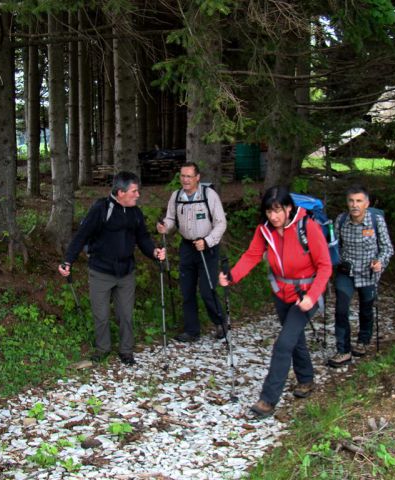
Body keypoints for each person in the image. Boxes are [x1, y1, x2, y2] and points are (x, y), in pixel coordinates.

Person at [219, 186, 331, 418]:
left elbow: (325, 265)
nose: (274, 216)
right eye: (269, 212)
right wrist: (233, 276)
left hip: (306, 294)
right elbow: (252, 255)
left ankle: (268, 400)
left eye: (278, 210)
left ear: (288, 208)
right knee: (294, 338)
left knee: (283, 344)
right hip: (281, 293)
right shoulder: (265, 230)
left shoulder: (307, 227)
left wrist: (312, 296)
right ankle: (307, 380)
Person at [58, 172, 165, 366]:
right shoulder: (101, 209)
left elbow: (143, 238)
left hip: (126, 272)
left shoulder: (135, 213)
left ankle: (126, 351)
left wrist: (154, 252)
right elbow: (81, 236)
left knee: (125, 314)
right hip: (101, 271)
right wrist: (68, 261)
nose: (138, 194)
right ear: (121, 192)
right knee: (101, 315)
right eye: (134, 191)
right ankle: (103, 349)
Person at [157, 162, 227, 342]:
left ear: (197, 177)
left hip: (207, 246)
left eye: (189, 176)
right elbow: (171, 218)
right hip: (187, 246)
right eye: (182, 176)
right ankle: (191, 330)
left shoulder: (209, 195)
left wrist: (208, 241)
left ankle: (220, 323)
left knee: (207, 289)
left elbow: (221, 223)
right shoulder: (176, 196)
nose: (185, 180)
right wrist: (165, 226)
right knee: (186, 289)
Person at [328, 185, 394, 368]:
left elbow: (387, 248)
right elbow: (335, 246)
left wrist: (380, 262)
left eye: (359, 201)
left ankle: (363, 341)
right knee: (341, 309)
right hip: (346, 272)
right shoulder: (341, 220)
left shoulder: (376, 221)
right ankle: (343, 351)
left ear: (367, 203)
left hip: (369, 273)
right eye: (351, 201)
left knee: (366, 308)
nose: (354, 205)